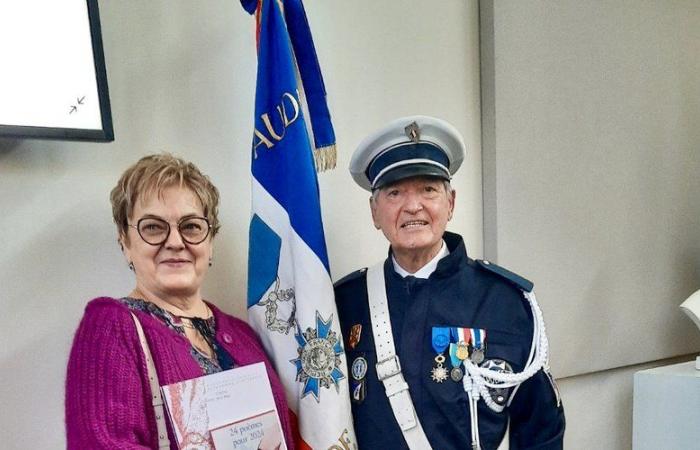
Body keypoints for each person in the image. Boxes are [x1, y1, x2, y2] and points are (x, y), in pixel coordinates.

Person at [334, 116, 565, 449]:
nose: (413, 206)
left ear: (450, 203)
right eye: (395, 192)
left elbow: (541, 430)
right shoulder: (345, 304)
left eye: (428, 189)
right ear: (374, 212)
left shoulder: (505, 303)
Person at [65, 153, 294, 449]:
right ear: (125, 241)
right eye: (153, 227)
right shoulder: (111, 328)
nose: (175, 242)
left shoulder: (243, 334)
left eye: (191, 227)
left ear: (210, 243)